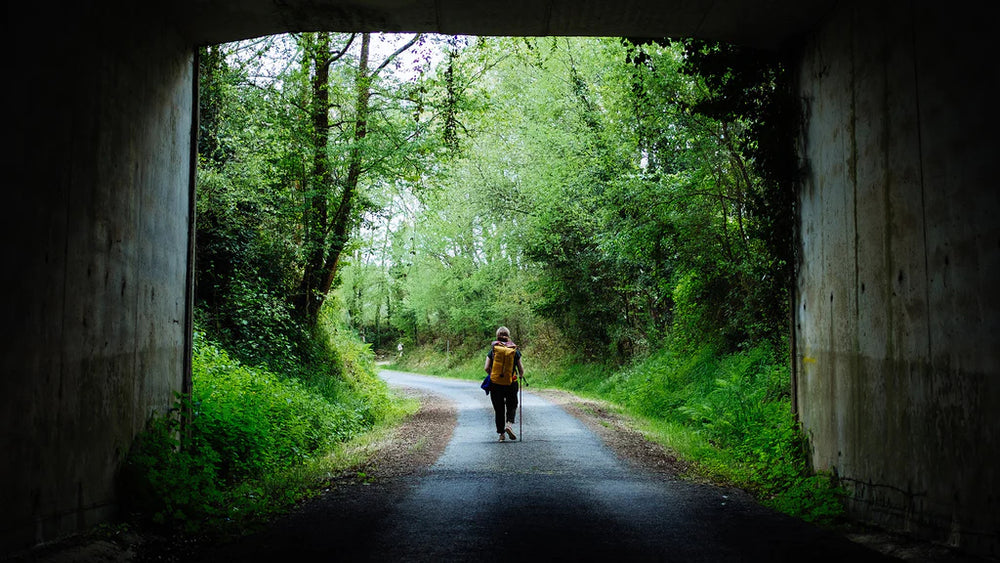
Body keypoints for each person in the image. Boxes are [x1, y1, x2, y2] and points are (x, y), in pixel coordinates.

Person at [484, 326, 524, 442]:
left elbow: (486, 367)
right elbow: (521, 370)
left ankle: (501, 434)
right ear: (508, 335)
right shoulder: (514, 350)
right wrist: (520, 376)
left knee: (499, 409)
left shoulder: (493, 350)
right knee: (512, 405)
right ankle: (509, 425)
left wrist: (493, 375)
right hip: (511, 382)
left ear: (497, 336)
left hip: (496, 383)